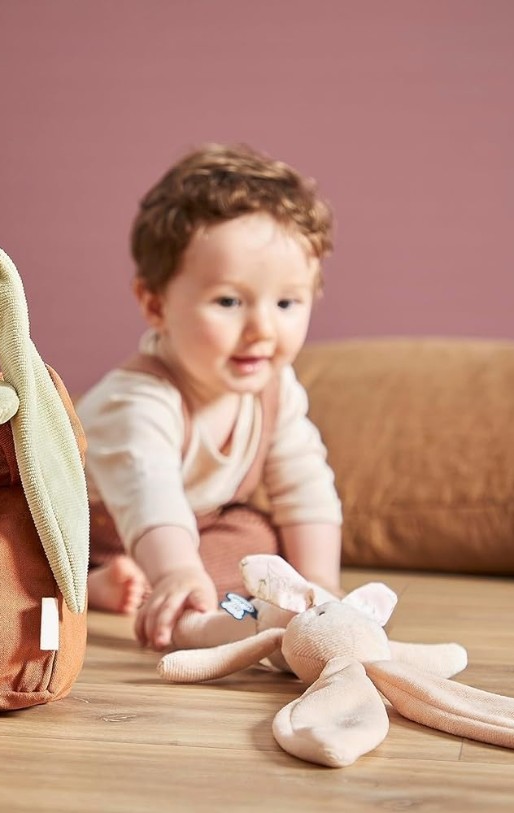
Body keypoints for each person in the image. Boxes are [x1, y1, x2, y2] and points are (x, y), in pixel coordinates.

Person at [80, 143, 344, 650]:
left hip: (190, 530)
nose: (262, 329)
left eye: (287, 302)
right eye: (229, 301)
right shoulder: (137, 401)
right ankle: (88, 583)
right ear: (155, 304)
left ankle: (148, 579)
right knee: (16, 551)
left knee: (258, 536)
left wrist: (322, 586)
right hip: (94, 528)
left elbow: (305, 485)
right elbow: (151, 498)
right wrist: (177, 571)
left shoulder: (273, 389)